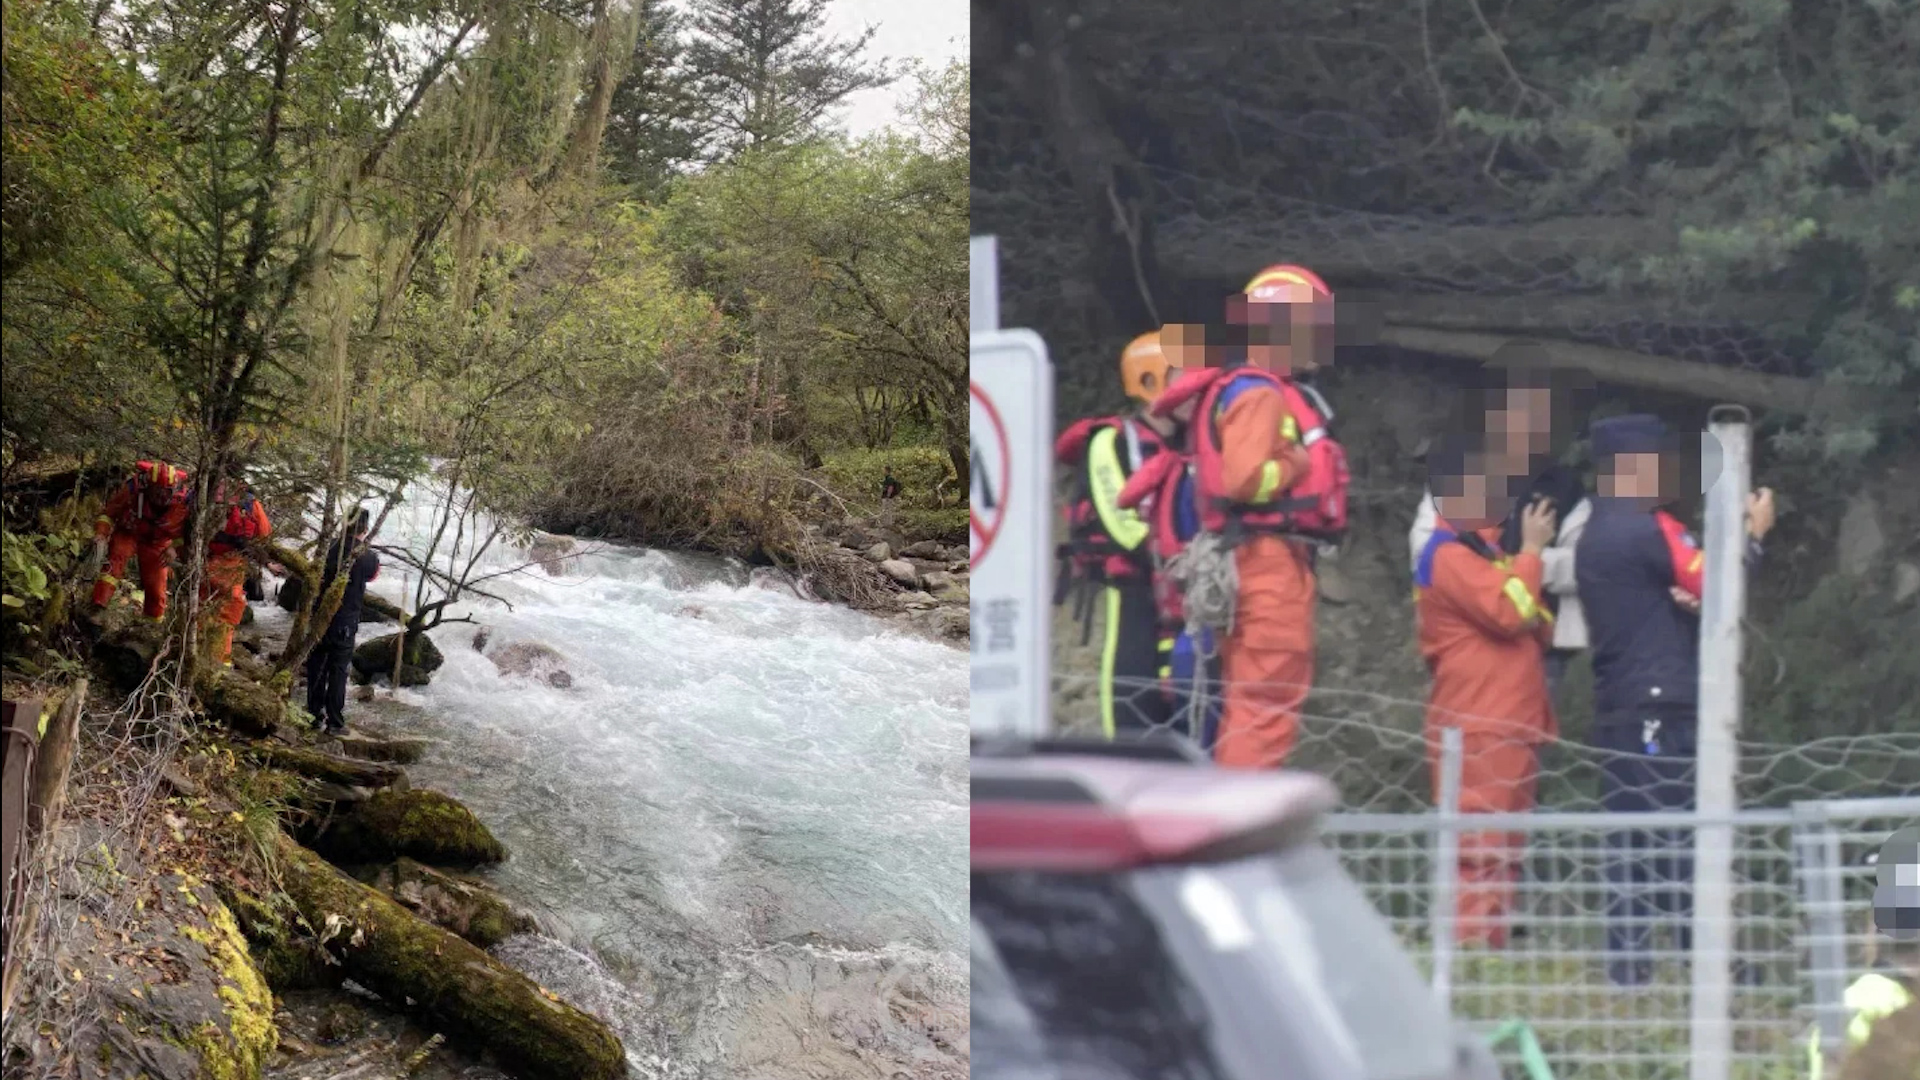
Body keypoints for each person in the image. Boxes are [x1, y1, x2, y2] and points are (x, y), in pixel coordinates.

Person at [1575, 413, 1776, 985]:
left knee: (1635, 839)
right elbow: (1719, 587)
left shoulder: (1598, 529)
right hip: (1660, 703)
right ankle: (1702, 966)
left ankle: (1632, 969)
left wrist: (1678, 606)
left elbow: (1674, 594)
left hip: (1626, 700)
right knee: (1682, 835)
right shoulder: (1647, 527)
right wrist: (1753, 534)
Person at [1146, 265, 1350, 768]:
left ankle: (1231, 826)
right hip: (1268, 566)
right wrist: (1297, 461)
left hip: (1257, 561)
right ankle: (1241, 834)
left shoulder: (1246, 387)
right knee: (1264, 709)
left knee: (1250, 704)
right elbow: (1243, 480)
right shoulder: (1259, 393)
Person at [1413, 436, 1559, 948]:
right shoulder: (1450, 555)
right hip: (1480, 725)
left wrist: (1523, 567)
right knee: (1479, 850)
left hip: (1507, 722)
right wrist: (1534, 553)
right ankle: (1472, 962)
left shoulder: (1486, 554)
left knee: (1503, 851)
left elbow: (1539, 624)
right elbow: (1513, 613)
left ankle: (1487, 955)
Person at [1411, 370, 1592, 692]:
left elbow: (1587, 565)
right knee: (1468, 730)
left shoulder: (1565, 488)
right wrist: (1503, 573)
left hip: (1539, 644)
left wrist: (1527, 563)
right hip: (1465, 633)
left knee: (1521, 735)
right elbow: (1423, 547)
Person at [1053, 331, 1182, 737]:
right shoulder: (1109, 441)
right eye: (1182, 373)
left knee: (1176, 689)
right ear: (1150, 381)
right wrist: (1177, 557)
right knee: (1131, 680)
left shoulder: (1188, 445)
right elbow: (1120, 520)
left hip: (1174, 587)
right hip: (1126, 585)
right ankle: (1127, 762)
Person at [1116, 325, 1223, 747]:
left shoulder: (1196, 454)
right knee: (1182, 719)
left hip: (1199, 615)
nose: (1194, 383)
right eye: (1181, 373)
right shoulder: (1140, 450)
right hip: (1173, 615)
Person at [306, 508, 381, 735]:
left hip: (320, 616)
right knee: (338, 671)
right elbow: (374, 575)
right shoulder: (367, 556)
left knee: (317, 666)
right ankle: (335, 722)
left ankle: (313, 715)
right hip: (346, 620)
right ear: (365, 530)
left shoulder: (330, 547)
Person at [90, 460, 192, 619]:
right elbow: (109, 512)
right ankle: (97, 606)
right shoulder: (133, 489)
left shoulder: (184, 503)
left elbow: (189, 535)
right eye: (156, 491)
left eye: (166, 492)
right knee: (115, 561)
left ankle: (151, 623)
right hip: (129, 533)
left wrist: (175, 549)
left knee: (157, 587)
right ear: (148, 486)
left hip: (158, 543)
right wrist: (101, 534)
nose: (160, 496)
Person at [199, 478, 271, 666]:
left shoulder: (205, 493)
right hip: (230, 563)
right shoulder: (250, 504)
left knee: (201, 607)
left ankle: (197, 652)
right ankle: (220, 662)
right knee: (228, 612)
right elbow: (264, 534)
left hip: (203, 559)